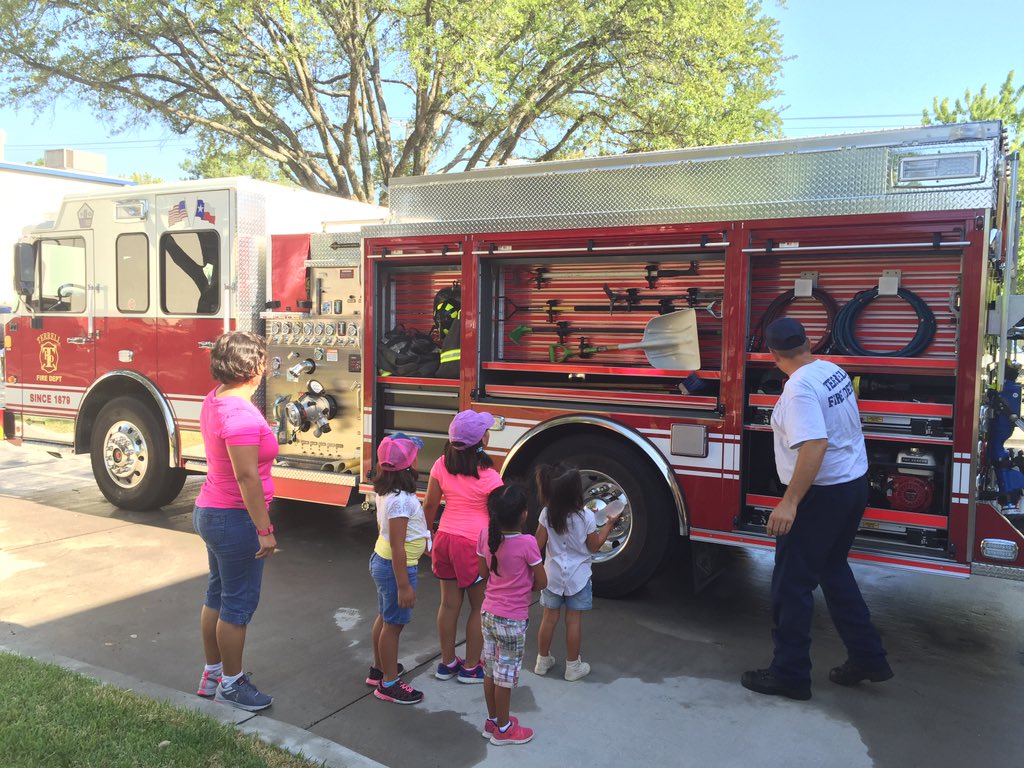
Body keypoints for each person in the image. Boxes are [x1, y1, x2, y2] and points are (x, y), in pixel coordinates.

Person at [742, 317, 892, 701]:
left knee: (791, 587)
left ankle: (789, 674)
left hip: (820, 497)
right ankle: (868, 657)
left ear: (773, 355)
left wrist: (789, 502)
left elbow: (814, 446)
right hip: (851, 487)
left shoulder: (799, 390)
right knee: (833, 570)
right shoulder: (831, 370)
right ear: (808, 343)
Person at [193, 331, 277, 711]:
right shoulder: (240, 414)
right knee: (237, 605)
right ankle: (232, 683)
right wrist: (264, 530)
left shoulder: (216, 399)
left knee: (217, 595)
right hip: (234, 519)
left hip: (211, 511)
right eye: (262, 360)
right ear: (254, 367)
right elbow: (247, 478)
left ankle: (213, 673)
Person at [423, 410, 503, 683]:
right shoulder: (490, 477)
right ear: (482, 439)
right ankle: (471, 666)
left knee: (448, 605)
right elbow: (498, 518)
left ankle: (446, 663)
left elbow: (430, 504)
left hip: (444, 538)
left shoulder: (441, 464)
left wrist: (426, 535)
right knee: (478, 606)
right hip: (474, 546)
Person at [532, 463, 623, 681]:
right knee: (573, 621)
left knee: (549, 618)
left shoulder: (546, 514)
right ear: (574, 491)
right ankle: (572, 666)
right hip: (578, 579)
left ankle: (542, 661)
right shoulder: (586, 518)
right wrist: (609, 526)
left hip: (551, 576)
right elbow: (594, 546)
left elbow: (538, 543)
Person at [476, 484, 546, 746]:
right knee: (504, 677)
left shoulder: (485, 535)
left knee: (491, 671)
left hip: (488, 614)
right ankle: (504, 730)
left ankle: (493, 720)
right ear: (524, 514)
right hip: (512, 621)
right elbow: (542, 582)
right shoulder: (528, 543)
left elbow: (483, 572)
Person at [367, 433, 431, 705]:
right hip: (396, 569)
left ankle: (380, 669)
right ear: (409, 466)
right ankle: (389, 683)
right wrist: (404, 584)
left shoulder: (385, 491)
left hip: (382, 562)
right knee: (393, 625)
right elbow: (398, 545)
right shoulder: (402, 500)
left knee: (384, 618)